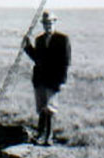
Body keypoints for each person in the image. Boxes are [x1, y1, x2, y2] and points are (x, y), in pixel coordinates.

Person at [21, 11, 71, 145]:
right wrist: (27, 47)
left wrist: (62, 81)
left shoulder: (63, 39)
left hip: (53, 80)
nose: (48, 26)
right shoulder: (39, 39)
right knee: (42, 108)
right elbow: (37, 58)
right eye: (46, 23)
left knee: (51, 108)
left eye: (50, 23)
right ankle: (40, 135)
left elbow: (65, 62)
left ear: (55, 23)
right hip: (40, 79)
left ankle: (48, 137)